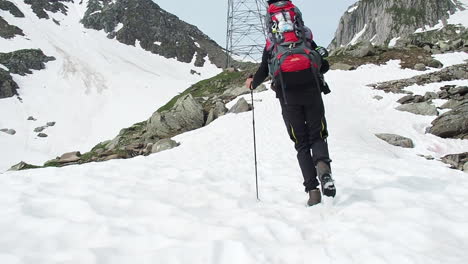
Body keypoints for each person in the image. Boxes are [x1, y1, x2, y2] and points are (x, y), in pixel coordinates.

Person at [245, 0, 336, 206]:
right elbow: (324, 66)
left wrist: (252, 82)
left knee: (301, 143)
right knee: (318, 135)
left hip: (288, 97)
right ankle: (323, 168)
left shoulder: (272, 43)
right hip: (312, 91)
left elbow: (263, 69)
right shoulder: (305, 35)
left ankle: (313, 192)